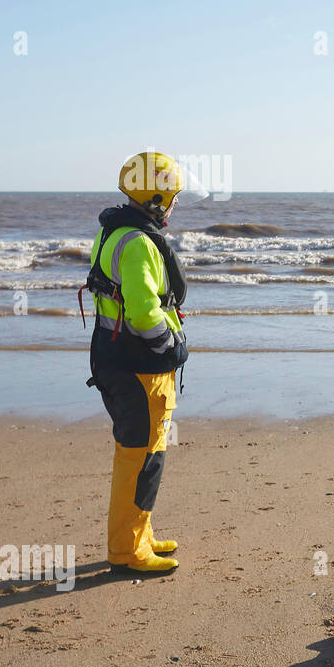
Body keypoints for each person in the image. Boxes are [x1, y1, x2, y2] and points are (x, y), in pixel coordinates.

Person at [85, 151, 203, 574]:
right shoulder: (138, 244)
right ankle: (128, 551)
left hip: (113, 357)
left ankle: (140, 533)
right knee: (141, 456)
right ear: (154, 199)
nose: (174, 204)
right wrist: (169, 344)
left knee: (141, 452)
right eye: (171, 196)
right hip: (139, 367)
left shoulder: (112, 233)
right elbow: (142, 312)